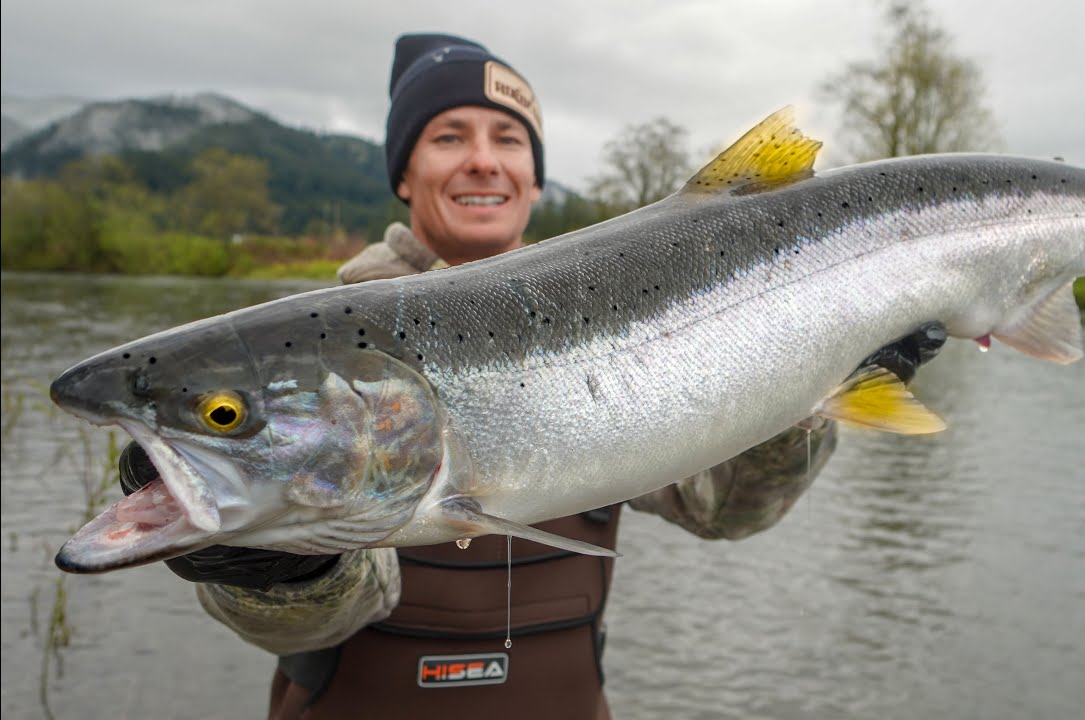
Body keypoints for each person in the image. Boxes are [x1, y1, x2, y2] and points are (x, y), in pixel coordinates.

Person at [118, 33, 946, 720]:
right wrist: (260, 560)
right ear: (403, 174)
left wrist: (820, 382)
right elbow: (331, 614)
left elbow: (725, 510)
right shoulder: (294, 366)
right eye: (448, 138)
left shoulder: (633, 311)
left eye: (507, 139)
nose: (483, 162)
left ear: (536, 176)